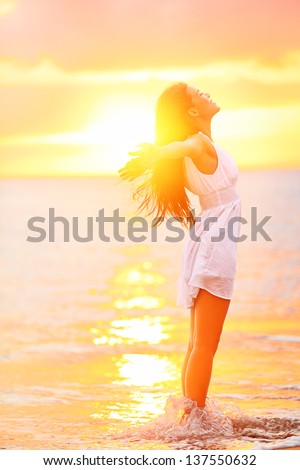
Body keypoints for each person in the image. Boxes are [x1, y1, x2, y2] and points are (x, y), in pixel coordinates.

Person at [118, 82, 241, 419]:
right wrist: (158, 154)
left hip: (208, 236)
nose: (207, 93)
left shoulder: (199, 145)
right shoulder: (198, 143)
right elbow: (182, 146)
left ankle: (189, 420)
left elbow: (180, 148)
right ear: (191, 111)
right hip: (216, 242)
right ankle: (195, 424)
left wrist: (157, 155)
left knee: (196, 343)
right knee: (204, 345)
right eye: (199, 93)